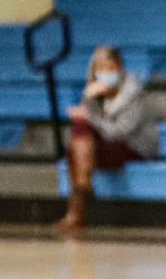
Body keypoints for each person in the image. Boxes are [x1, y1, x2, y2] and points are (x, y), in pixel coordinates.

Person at [54, 46, 159, 234]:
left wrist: (90, 117)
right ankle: (83, 185)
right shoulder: (94, 92)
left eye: (111, 69)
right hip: (100, 147)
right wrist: (88, 99)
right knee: (79, 133)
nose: (106, 74)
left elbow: (120, 132)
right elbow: (87, 129)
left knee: (79, 143)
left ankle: (77, 206)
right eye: (101, 70)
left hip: (134, 147)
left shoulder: (133, 92)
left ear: (120, 68)